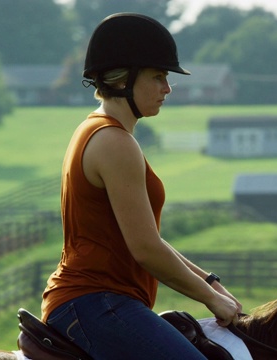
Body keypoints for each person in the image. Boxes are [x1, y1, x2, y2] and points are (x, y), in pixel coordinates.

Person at [41, 13, 241, 360]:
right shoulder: (114, 142)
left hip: (97, 300)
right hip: (96, 301)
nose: (167, 88)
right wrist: (209, 299)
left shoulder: (97, 130)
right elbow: (146, 249)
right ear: (123, 79)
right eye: (158, 77)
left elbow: (150, 240)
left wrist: (210, 282)